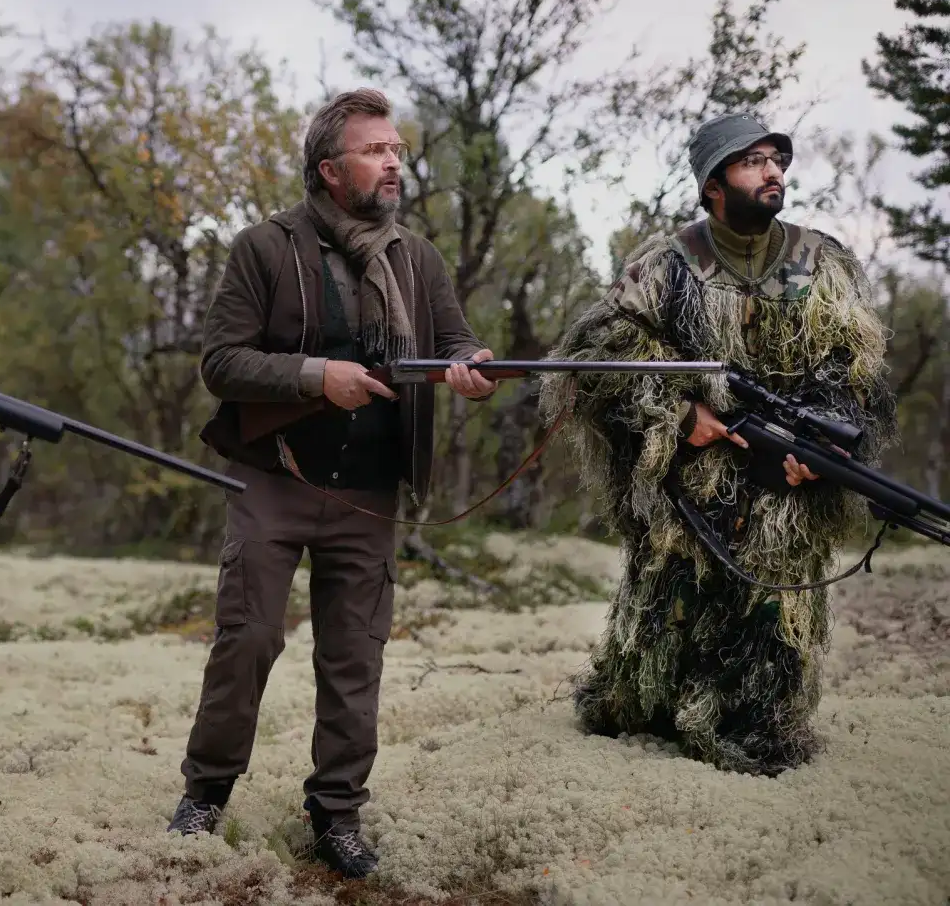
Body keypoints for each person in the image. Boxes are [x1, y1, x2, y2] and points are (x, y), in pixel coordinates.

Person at [170, 88, 497, 878]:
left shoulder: (416, 257)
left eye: (397, 151)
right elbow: (221, 362)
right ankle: (206, 794)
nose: (394, 163)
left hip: (371, 492)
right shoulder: (264, 247)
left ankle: (337, 813)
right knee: (247, 639)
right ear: (328, 168)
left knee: (356, 655)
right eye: (376, 150)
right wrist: (321, 378)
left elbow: (459, 343)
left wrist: (474, 372)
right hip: (274, 481)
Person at [538, 113, 899, 778]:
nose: (773, 174)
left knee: (774, 609)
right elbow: (599, 355)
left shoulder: (818, 260)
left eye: (777, 162)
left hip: (783, 476)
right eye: (753, 162)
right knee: (661, 616)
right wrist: (679, 412)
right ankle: (645, 709)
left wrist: (813, 441)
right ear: (712, 184)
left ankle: (750, 727)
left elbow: (854, 370)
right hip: (690, 479)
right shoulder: (667, 263)